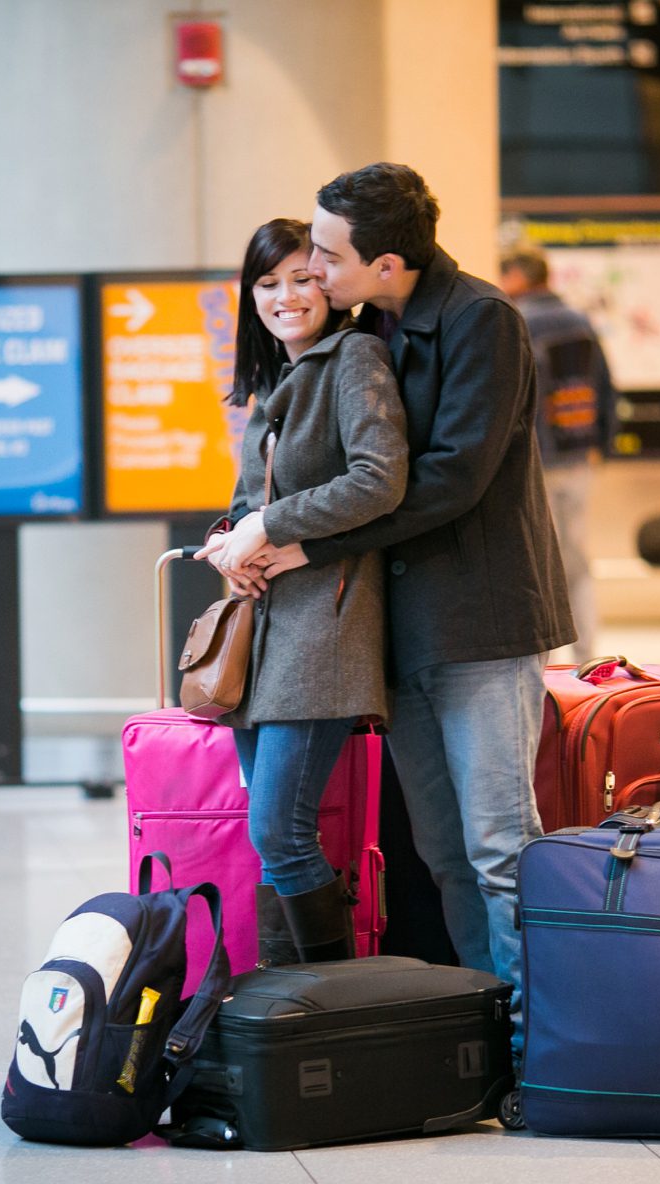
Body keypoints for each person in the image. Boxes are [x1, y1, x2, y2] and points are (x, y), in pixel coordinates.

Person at [219, 163, 573, 1055]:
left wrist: (303, 541)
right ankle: (488, 1036)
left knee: (500, 848)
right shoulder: (372, 325)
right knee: (444, 853)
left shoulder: (481, 319)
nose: (313, 271)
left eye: (326, 255)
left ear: (384, 263)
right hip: (405, 629)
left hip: (483, 622)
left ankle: (540, 1045)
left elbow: (450, 478)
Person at [197, 218, 408, 964]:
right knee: (273, 834)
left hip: (325, 629)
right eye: (267, 283)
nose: (284, 296)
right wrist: (230, 544)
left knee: (279, 832)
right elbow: (251, 498)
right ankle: (285, 994)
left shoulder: (354, 358)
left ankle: (330, 998)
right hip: (266, 633)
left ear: (331, 285)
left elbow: (378, 480)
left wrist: (270, 526)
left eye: (302, 278)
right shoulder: (279, 381)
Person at [498, 247, 615, 663]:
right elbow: (605, 385)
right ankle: (586, 653)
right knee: (576, 557)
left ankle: (545, 655)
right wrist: (603, 442)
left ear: (518, 276)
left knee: (537, 558)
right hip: (578, 456)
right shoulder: (580, 321)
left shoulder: (517, 322)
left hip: (535, 460)